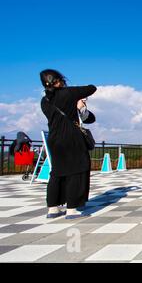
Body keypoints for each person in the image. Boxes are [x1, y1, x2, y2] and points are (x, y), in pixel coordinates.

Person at [40, 69, 97, 220]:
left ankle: (53, 208)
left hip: (54, 140)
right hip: (71, 138)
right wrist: (78, 101)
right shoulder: (68, 93)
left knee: (57, 173)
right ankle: (72, 208)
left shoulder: (44, 101)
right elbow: (92, 88)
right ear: (58, 81)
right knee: (77, 170)